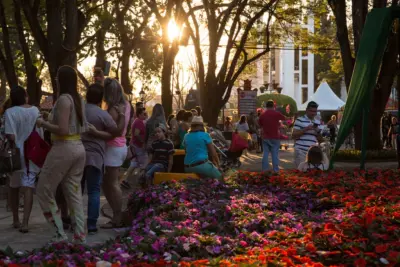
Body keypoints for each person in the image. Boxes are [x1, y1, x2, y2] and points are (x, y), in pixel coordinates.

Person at [36, 65, 87, 243]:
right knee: (73, 192)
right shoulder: (78, 99)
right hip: (78, 148)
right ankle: (80, 236)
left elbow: (63, 129)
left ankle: (58, 233)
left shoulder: (64, 100)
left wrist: (43, 123)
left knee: (44, 189)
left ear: (60, 79)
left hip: (64, 148)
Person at [80, 83, 125, 234]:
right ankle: (92, 224)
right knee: (94, 190)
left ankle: (74, 221)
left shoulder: (78, 111)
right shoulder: (102, 114)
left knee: (74, 190)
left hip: (77, 154)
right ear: (101, 99)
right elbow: (116, 132)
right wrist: (122, 116)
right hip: (95, 156)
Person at [4, 86, 41, 233]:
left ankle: (15, 219)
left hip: (15, 156)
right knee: (28, 187)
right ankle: (26, 222)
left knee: (13, 187)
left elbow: (11, 136)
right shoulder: (35, 111)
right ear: (25, 96)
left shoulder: (9, 112)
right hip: (31, 153)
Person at [101, 78, 131, 229]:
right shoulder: (126, 105)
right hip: (120, 146)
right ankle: (116, 215)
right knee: (108, 184)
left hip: (112, 147)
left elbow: (111, 131)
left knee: (112, 183)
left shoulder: (113, 109)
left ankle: (117, 217)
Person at [258, 100, 287, 172]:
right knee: (275, 154)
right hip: (275, 137)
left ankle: (264, 170)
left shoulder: (262, 115)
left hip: (265, 137)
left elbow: (260, 124)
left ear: (266, 106)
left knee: (265, 154)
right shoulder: (277, 113)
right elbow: (284, 118)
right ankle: (276, 170)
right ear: (274, 106)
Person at [292, 101, 323, 168]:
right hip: (300, 151)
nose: (313, 113)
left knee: (310, 174)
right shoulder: (299, 120)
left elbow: (321, 140)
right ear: (306, 110)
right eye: (311, 111)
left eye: (314, 111)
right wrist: (305, 129)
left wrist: (317, 131)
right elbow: (293, 135)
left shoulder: (317, 122)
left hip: (313, 153)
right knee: (300, 174)